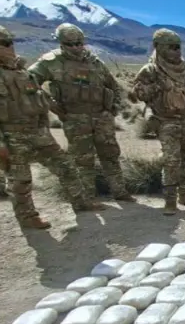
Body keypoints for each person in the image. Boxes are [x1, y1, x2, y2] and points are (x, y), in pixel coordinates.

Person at [0, 24, 102, 229]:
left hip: (37, 131)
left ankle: (81, 203)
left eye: (10, 42)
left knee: (66, 167)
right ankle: (27, 217)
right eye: (3, 43)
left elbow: (37, 96)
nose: (9, 47)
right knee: (20, 180)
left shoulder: (17, 69)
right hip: (11, 134)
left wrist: (50, 116)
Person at [28, 23, 134, 203]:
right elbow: (28, 82)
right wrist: (51, 104)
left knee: (110, 155)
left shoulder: (94, 61)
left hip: (101, 117)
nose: (76, 47)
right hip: (75, 118)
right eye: (70, 44)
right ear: (61, 43)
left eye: (79, 43)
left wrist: (112, 109)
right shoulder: (51, 62)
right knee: (82, 159)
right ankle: (88, 198)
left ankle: (120, 191)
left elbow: (113, 85)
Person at [128, 29, 185, 215]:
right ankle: (170, 200)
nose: (176, 51)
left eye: (178, 47)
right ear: (159, 48)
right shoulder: (150, 70)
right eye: (171, 48)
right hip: (165, 121)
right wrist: (156, 87)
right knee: (171, 161)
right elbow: (136, 95)